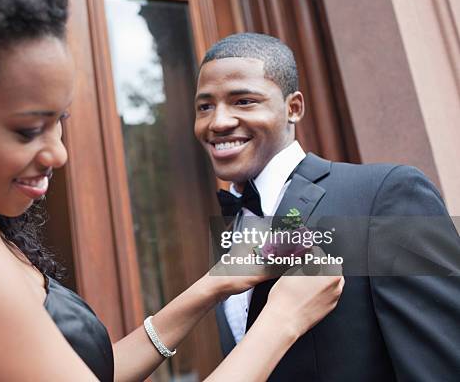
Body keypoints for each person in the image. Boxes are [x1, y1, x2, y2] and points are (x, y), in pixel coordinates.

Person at [0, 0, 344, 381]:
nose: (58, 155)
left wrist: (208, 288)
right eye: (26, 130)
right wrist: (282, 320)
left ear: (293, 108)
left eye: (59, 124)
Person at [194, 32, 460, 381]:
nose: (218, 122)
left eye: (243, 101)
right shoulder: (231, 231)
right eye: (205, 106)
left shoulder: (385, 194)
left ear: (293, 108)